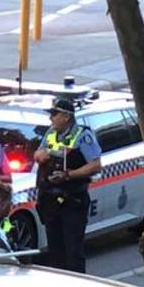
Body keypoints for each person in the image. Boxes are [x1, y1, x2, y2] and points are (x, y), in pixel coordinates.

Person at [32, 97, 102, 273]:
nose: (51, 118)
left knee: (73, 251)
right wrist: (41, 155)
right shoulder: (51, 132)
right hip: (50, 199)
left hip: (73, 200)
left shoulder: (82, 135)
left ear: (66, 116)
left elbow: (95, 165)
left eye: (54, 114)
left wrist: (68, 175)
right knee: (55, 251)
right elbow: (38, 152)